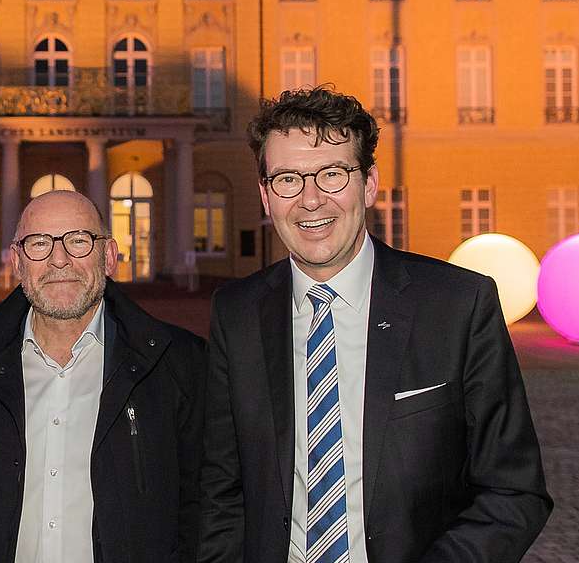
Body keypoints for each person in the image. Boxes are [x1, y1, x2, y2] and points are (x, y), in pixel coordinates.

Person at [198, 87, 552, 563]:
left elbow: (513, 491)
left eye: (332, 175)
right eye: (287, 179)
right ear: (265, 195)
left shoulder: (458, 306)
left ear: (368, 184)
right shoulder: (236, 314)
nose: (310, 200)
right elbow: (221, 491)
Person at [0, 191, 206, 563]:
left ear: (109, 257)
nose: (59, 259)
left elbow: (202, 508)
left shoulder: (178, 363)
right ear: (17, 262)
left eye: (78, 241)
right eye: (39, 243)